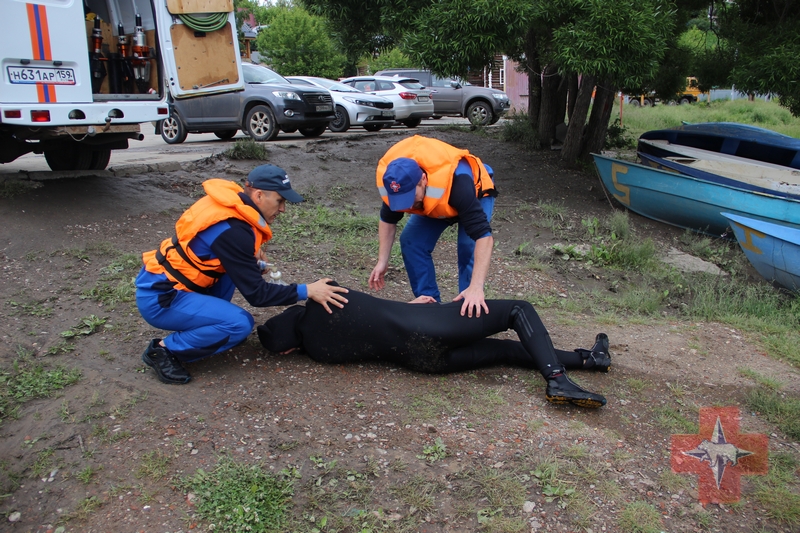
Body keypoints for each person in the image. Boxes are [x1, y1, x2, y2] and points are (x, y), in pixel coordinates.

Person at [135, 165, 349, 385]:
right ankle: (163, 350)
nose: (283, 209)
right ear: (258, 195)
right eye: (279, 201)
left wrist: (251, 261)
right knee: (239, 324)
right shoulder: (233, 231)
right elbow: (258, 295)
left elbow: (217, 253)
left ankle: (209, 326)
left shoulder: (232, 208)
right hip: (162, 298)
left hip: (168, 283)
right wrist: (308, 290)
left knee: (234, 278)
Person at [257, 285, 611, 408]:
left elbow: (366, 327)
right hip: (426, 327)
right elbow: (369, 309)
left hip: (423, 362)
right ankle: (557, 377)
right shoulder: (324, 298)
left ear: (289, 348)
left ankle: (591, 360)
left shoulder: (319, 353)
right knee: (518, 310)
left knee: (503, 351)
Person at [368, 135, 497, 318]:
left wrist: (476, 287)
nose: (409, 206)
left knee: (468, 247)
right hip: (435, 203)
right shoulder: (395, 183)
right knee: (412, 242)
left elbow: (483, 237)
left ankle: (468, 307)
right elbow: (388, 220)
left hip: (474, 192)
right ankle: (429, 304)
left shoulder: (458, 186)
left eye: (411, 198)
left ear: (423, 179)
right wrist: (382, 261)